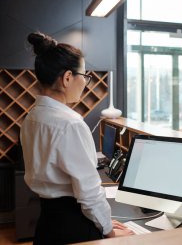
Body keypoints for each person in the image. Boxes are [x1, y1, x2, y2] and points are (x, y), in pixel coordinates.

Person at [20, 32, 134, 244]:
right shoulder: (70, 123)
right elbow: (89, 193)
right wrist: (109, 230)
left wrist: (106, 221)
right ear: (67, 78)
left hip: (47, 224)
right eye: (85, 76)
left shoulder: (32, 117)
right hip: (74, 228)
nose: (86, 83)